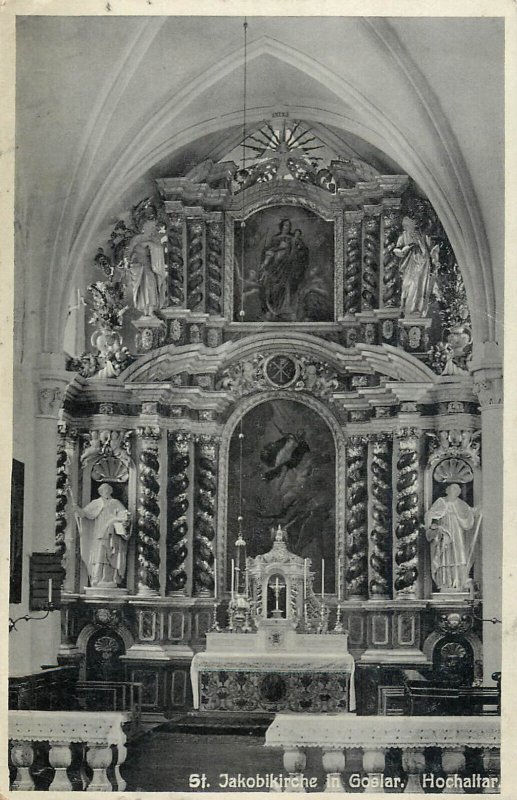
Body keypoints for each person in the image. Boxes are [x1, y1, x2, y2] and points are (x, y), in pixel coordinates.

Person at [73, 483, 131, 588]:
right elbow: (85, 514)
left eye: (108, 490)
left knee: (110, 554)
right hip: (99, 531)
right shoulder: (96, 503)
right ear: (100, 492)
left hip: (111, 532)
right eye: (104, 490)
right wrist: (76, 509)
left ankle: (109, 578)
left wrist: (121, 519)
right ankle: (97, 578)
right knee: (99, 554)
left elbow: (124, 515)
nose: (106, 492)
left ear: (111, 491)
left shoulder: (115, 502)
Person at [425, 483, 477, 591]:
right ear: (447, 490)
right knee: (445, 555)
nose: (456, 492)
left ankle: (458, 582)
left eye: (457, 490)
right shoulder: (441, 501)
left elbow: (469, 512)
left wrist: (477, 511)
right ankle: (445, 583)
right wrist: (431, 525)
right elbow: (430, 514)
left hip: (457, 531)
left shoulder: (460, 503)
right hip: (445, 530)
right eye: (453, 489)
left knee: (458, 554)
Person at [258, 219, 309, 321]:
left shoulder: (293, 238)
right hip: (276, 266)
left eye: (289, 225)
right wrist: (268, 259)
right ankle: (274, 309)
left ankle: (286, 309)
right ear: (281, 227)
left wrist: (297, 249)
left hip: (288, 266)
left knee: (287, 287)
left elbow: (302, 251)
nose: (287, 227)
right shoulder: (275, 239)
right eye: (285, 225)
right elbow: (269, 250)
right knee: (274, 287)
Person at [394, 215, 439, 317]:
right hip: (409, 265)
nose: (405, 227)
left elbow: (430, 251)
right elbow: (397, 249)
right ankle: (406, 307)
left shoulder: (422, 236)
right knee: (407, 285)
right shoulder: (404, 236)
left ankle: (416, 309)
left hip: (422, 266)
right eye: (405, 225)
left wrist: (420, 243)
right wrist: (405, 249)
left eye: (408, 224)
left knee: (419, 286)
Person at [126, 218, 167, 316]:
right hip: (140, 269)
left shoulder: (154, 240)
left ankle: (151, 308)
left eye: (153, 227)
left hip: (150, 269)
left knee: (151, 286)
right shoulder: (136, 240)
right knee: (145, 288)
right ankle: (146, 309)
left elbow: (158, 251)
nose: (152, 229)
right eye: (149, 227)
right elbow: (131, 257)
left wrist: (151, 245)